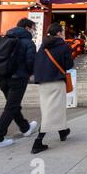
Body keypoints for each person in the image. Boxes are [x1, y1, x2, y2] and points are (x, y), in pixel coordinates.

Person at [0, 18, 38, 150]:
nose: (34, 31)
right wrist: (31, 73)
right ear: (27, 28)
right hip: (18, 78)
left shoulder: (5, 38)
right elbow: (31, 61)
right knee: (11, 107)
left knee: (13, 105)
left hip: (3, 77)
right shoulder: (28, 42)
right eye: (33, 28)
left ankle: (25, 128)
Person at [31, 23, 74, 154]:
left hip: (43, 82)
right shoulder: (63, 46)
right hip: (56, 81)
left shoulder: (42, 46)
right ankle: (38, 141)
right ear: (59, 33)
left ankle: (63, 131)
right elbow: (69, 64)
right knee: (53, 110)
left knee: (50, 108)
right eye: (63, 31)